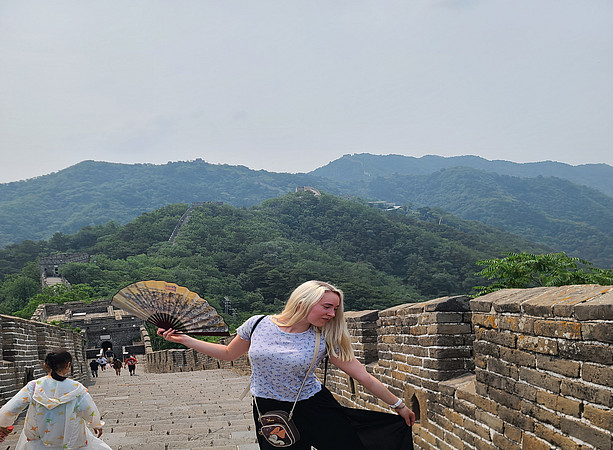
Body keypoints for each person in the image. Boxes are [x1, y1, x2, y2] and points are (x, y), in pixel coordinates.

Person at [158, 280, 415, 450]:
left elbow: (363, 376)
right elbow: (228, 353)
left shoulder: (324, 337)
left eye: (335, 309)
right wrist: (185, 339)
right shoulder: (257, 324)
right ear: (303, 302)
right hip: (268, 409)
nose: (332, 314)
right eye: (327, 306)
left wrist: (399, 405)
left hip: (315, 407)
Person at [0, 349, 111, 449]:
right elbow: (89, 410)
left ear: (46, 365)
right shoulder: (77, 388)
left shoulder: (34, 386)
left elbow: (10, 409)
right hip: (71, 441)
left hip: (39, 441)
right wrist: (96, 424)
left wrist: (3, 424)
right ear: (68, 365)